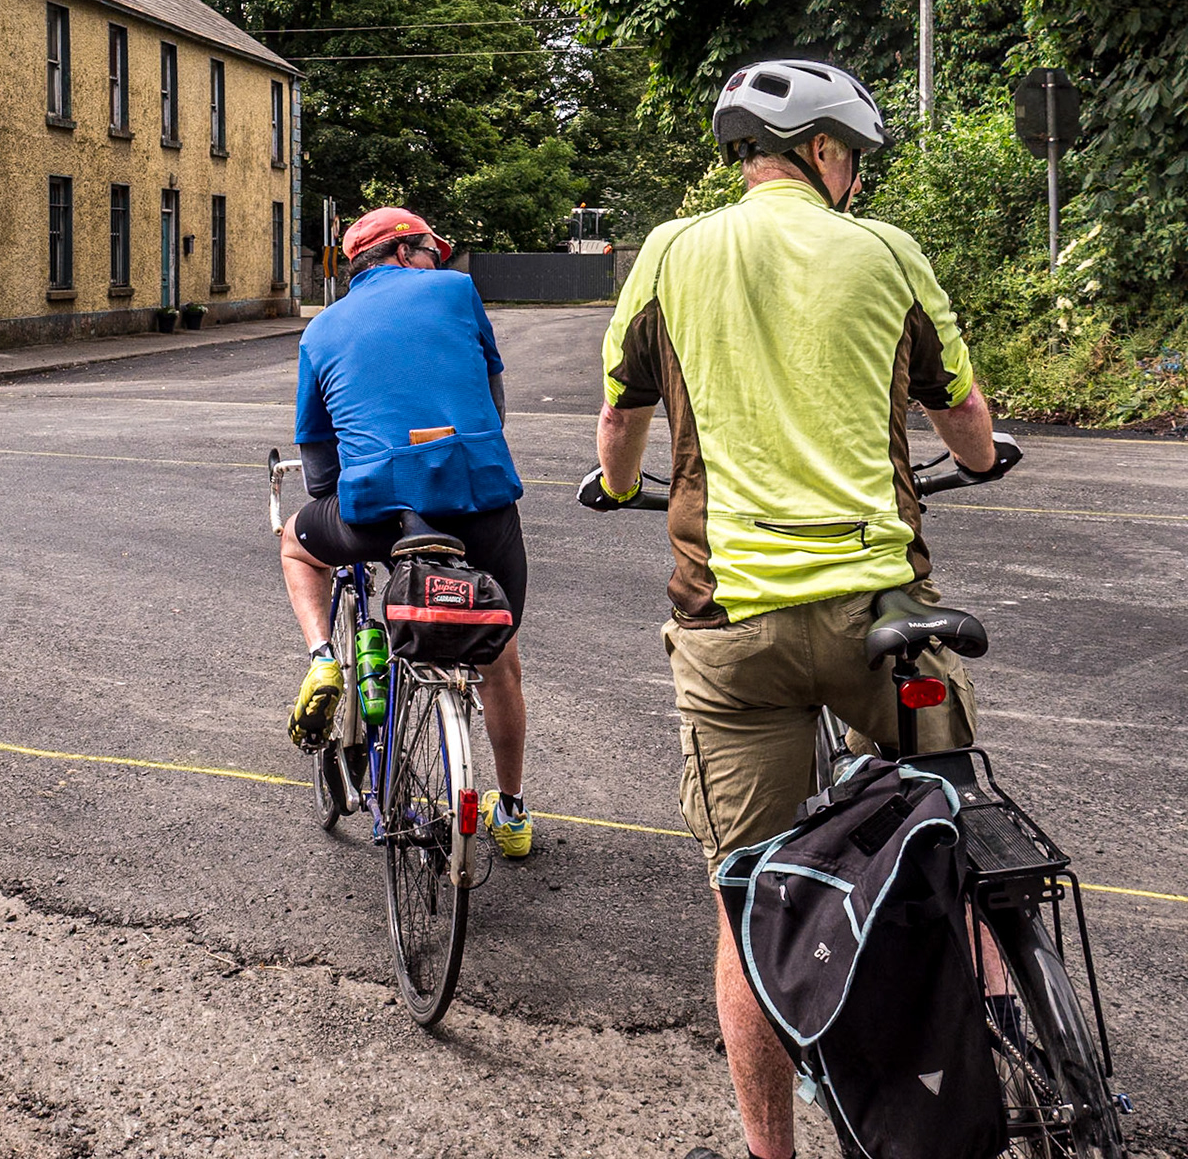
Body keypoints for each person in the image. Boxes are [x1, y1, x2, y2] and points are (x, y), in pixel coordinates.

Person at [581, 60, 1010, 1159]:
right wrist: (978, 452)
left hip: (738, 632)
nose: (856, 179)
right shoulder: (886, 253)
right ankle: (1011, 1035)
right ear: (823, 152)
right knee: (951, 822)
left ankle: (772, 1152)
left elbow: (620, 421)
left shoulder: (672, 253)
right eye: (852, 159)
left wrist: (626, 488)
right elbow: (962, 421)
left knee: (748, 899)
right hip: (882, 614)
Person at [280, 206, 535, 857]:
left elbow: (315, 456)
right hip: (478, 498)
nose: (440, 262)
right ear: (402, 251)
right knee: (498, 658)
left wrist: (342, 491)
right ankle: (511, 812)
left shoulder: (322, 328)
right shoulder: (457, 292)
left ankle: (323, 660)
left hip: (378, 510)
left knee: (297, 543)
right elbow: (494, 400)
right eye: (432, 249)